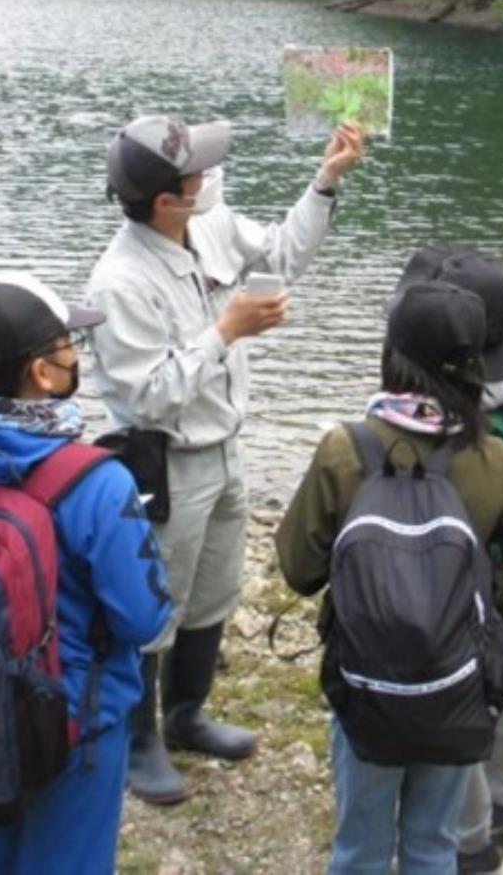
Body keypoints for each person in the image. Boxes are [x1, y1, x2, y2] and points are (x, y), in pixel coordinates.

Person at [85, 114, 364, 804]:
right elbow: (147, 398)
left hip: (225, 447)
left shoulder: (206, 224)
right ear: (164, 201)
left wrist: (324, 182)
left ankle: (186, 715)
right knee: (157, 604)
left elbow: (280, 256)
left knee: (214, 588)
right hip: (168, 462)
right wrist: (225, 331)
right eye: (196, 173)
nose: (209, 178)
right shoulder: (119, 282)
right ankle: (138, 740)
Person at [275, 279, 503, 875]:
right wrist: (469, 604)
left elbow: (299, 570)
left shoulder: (344, 450)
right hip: (457, 684)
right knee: (434, 843)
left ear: (392, 356)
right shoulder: (493, 457)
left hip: (366, 681)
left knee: (360, 845)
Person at [0, 272, 173, 874]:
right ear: (42, 373)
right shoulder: (99, 481)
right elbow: (142, 617)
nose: (75, 355)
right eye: (66, 345)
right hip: (76, 721)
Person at [395, 246, 503, 875]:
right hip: (499, 583)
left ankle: (471, 843)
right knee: (496, 691)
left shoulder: (447, 428)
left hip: (449, 595)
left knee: (455, 708)